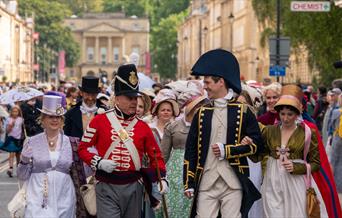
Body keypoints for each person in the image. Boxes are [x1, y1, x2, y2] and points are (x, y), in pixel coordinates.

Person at [78, 64, 168, 218]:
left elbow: (155, 156)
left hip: (134, 186)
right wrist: (98, 162)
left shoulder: (143, 127)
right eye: (129, 98)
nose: (134, 102)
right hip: (106, 186)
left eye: (135, 98)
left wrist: (163, 179)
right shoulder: (99, 121)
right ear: (117, 98)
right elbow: (83, 148)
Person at [183, 49, 264, 218]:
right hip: (206, 181)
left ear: (220, 82)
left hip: (233, 181)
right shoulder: (201, 112)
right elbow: (191, 150)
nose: (204, 87)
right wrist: (189, 182)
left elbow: (258, 145)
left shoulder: (244, 111)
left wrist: (228, 150)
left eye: (207, 82)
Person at [246, 84, 328, 217]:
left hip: (296, 183)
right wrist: (251, 146)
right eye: (282, 114)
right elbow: (258, 156)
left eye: (290, 114)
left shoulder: (307, 132)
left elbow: (316, 163)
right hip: (272, 180)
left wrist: (297, 167)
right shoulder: (269, 131)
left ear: (297, 113)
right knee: (273, 213)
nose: (285, 118)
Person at [17, 95, 76, 218]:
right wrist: (24, 160)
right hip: (37, 196)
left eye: (58, 117)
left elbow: (82, 172)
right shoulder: (31, 142)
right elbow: (22, 175)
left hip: (64, 195)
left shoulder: (71, 143)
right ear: (43, 119)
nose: (55, 120)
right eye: (51, 117)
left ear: (62, 120)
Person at [161, 95, 208, 217]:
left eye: (201, 106)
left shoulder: (205, 127)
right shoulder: (173, 126)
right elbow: (164, 153)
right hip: (175, 169)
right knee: (173, 202)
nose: (199, 108)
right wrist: (160, 175)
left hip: (196, 166)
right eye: (197, 106)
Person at [64, 75, 101, 217]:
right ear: (82, 93)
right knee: (79, 195)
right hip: (77, 161)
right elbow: (66, 139)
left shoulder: (105, 112)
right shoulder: (71, 113)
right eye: (87, 94)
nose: (90, 98)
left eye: (93, 94)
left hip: (99, 162)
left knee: (97, 199)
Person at [2, 106, 25, 177]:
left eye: (16, 111)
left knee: (18, 154)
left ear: (18, 112)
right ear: (11, 112)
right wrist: (11, 125)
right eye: (13, 111)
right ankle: (10, 168)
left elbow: (23, 129)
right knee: (12, 152)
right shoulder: (8, 119)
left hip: (18, 139)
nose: (15, 113)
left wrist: (23, 136)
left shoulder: (21, 119)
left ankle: (18, 169)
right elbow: (7, 131)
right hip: (11, 137)